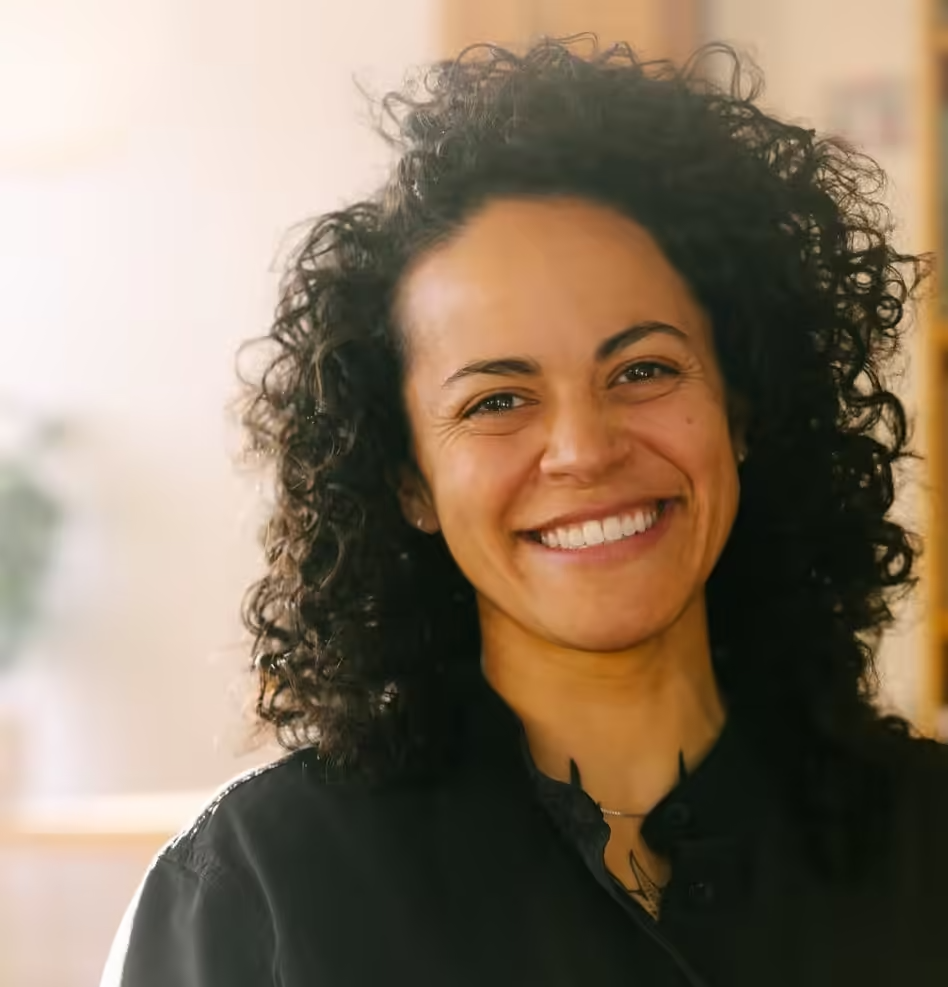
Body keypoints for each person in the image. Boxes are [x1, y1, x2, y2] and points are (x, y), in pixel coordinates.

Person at [103, 38, 948, 987]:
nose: (585, 449)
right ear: (408, 481)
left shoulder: (929, 844)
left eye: (644, 369)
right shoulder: (260, 888)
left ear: (741, 409)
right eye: (497, 400)